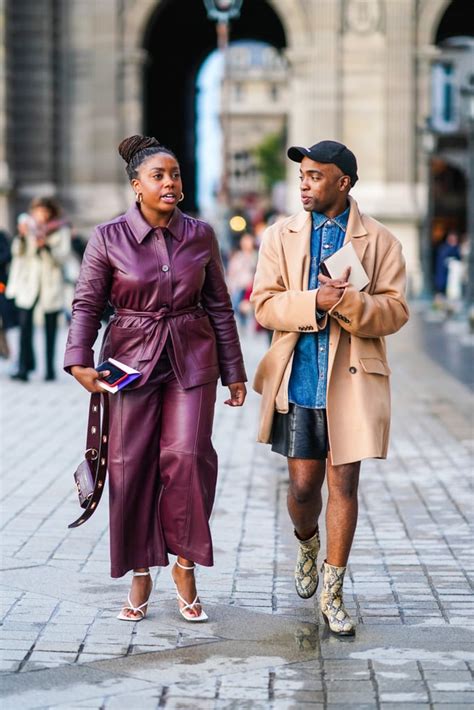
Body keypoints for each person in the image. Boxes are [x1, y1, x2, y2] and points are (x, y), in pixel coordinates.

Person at [64, 135, 247, 622]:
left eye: (176, 175)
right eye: (158, 176)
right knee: (129, 464)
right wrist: (79, 359)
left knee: (187, 456)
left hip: (192, 357)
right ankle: (141, 569)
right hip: (129, 362)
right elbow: (86, 303)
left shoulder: (202, 235)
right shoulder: (108, 237)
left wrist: (234, 371)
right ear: (136, 186)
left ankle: (184, 564)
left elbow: (219, 306)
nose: (170, 183)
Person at [250, 140, 409, 637]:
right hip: (298, 380)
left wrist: (350, 305)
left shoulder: (380, 240)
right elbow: (263, 305)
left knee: (344, 486)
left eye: (316, 176)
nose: (304, 183)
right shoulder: (280, 236)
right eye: (302, 176)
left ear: (343, 183)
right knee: (301, 488)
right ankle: (306, 542)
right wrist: (314, 301)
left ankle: (333, 592)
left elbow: (396, 310)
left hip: (353, 382)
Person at [6, 198, 71, 381]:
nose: (41, 216)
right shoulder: (28, 227)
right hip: (30, 283)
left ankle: (50, 370)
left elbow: (63, 257)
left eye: (44, 212)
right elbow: (17, 253)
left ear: (51, 213)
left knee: (51, 327)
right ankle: (24, 367)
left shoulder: (61, 229)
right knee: (25, 327)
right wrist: (21, 236)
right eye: (37, 212)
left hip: (50, 283)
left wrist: (47, 246)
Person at [226, 232, 257, 326]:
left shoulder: (257, 255)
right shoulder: (238, 256)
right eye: (245, 241)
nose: (247, 243)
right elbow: (232, 273)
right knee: (239, 310)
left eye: (249, 240)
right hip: (240, 287)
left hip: (253, 288)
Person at [434, 229, 461, 296]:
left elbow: (459, 257)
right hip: (443, 274)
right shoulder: (443, 248)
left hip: (453, 274)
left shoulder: (457, 248)